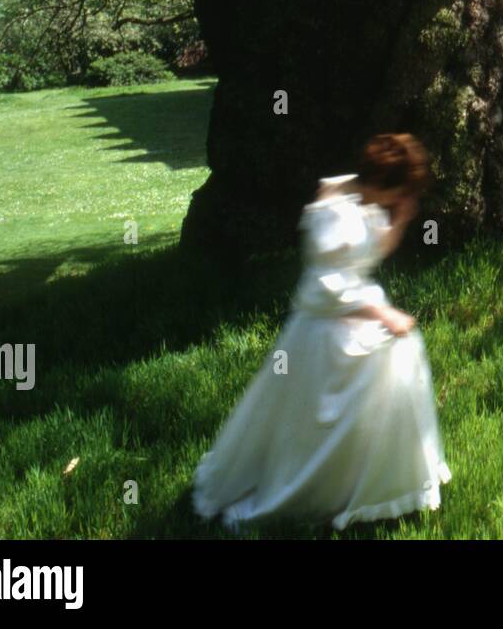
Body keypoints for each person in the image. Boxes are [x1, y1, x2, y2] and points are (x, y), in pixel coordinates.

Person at [192, 133, 450, 531]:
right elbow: (324, 288)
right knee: (329, 412)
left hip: (354, 306)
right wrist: (381, 313)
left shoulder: (367, 197)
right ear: (381, 184)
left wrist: (400, 217)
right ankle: (317, 489)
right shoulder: (334, 213)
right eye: (398, 194)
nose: (400, 201)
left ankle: (376, 478)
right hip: (327, 327)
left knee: (401, 352)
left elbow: (372, 250)